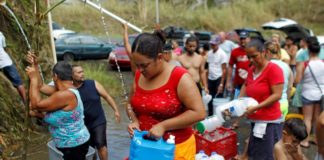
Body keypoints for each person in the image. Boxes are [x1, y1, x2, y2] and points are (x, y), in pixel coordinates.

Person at [127, 31, 206, 160]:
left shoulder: (180, 78)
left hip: (175, 148)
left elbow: (199, 113)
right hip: (145, 147)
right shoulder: (139, 76)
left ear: (159, 57)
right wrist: (134, 121)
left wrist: (164, 126)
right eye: (137, 65)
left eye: (144, 65)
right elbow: (130, 104)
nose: (140, 70)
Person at [26, 61, 90, 160]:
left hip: (73, 146)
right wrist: (35, 65)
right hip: (75, 144)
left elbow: (35, 105)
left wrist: (33, 78)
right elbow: (41, 86)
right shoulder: (66, 90)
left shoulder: (64, 95)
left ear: (55, 76)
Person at [240, 40, 284, 160]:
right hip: (256, 120)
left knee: (265, 155)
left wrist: (256, 107)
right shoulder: (251, 70)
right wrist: (238, 102)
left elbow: (277, 95)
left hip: (269, 122)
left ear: (264, 52)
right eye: (249, 57)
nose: (251, 60)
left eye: (254, 56)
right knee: (255, 153)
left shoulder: (273, 69)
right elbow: (246, 85)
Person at [72, 65, 121, 160]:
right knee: (89, 148)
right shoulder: (71, 90)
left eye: (82, 71)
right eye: (79, 72)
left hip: (98, 120)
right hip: (82, 124)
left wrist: (116, 110)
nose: (82, 74)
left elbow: (107, 96)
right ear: (72, 75)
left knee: (100, 143)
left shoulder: (93, 83)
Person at [295, 39, 324, 148]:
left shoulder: (305, 64)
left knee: (307, 118)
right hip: (320, 94)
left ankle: (305, 141)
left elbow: (297, 80)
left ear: (308, 51)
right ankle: (317, 139)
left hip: (307, 93)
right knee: (317, 118)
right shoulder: (323, 63)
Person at [265, 41, 294, 119]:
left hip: (268, 106)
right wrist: (287, 100)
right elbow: (290, 87)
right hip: (283, 103)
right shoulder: (286, 66)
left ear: (266, 51)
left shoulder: (265, 66)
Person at [0, 31, 26, 102]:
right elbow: (3, 47)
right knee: (19, 83)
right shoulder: (1, 34)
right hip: (6, 62)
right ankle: (26, 102)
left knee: (17, 84)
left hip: (4, 63)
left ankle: (25, 102)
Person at [206, 36, 227, 116]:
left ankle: (219, 117)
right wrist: (207, 81)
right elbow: (208, 67)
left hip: (219, 77)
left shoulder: (222, 54)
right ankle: (210, 116)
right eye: (211, 44)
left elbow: (224, 69)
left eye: (214, 44)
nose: (213, 46)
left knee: (218, 98)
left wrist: (221, 84)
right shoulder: (209, 53)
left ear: (218, 44)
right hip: (210, 78)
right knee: (210, 98)